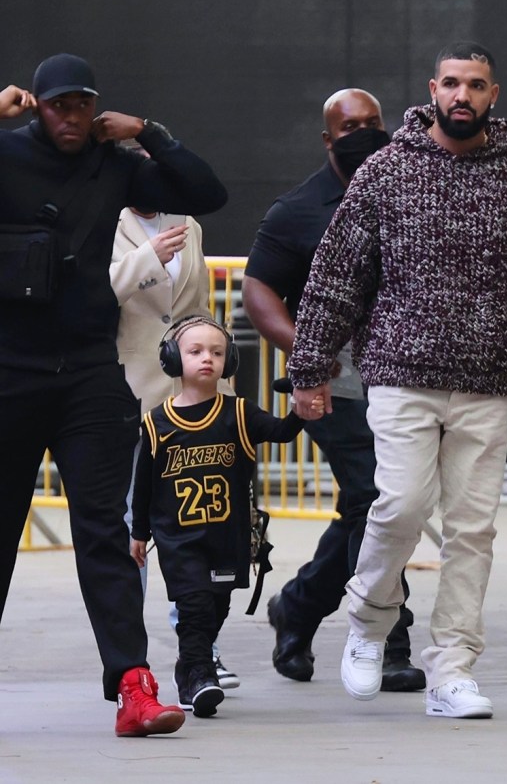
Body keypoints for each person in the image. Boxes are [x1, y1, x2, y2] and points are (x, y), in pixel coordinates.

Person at [287, 42, 507, 719]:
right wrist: (310, 367)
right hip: (400, 373)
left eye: (475, 85)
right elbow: (337, 276)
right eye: (452, 82)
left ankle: (453, 668)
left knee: (473, 529)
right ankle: (367, 620)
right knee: (399, 506)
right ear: (432, 88)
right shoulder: (385, 172)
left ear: (493, 95)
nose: (462, 95)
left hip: (489, 381)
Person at [0, 54, 227, 736]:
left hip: (92, 374)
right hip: (10, 369)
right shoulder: (6, 154)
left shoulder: (115, 162)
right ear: (37, 105)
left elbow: (205, 191)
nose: (70, 118)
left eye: (81, 105)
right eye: (57, 105)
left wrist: (148, 131)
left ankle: (134, 684)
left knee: (105, 530)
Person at [242, 88, 425, 692]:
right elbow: (259, 293)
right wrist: (308, 354)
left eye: (374, 123)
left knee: (374, 505)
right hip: (334, 382)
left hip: (406, 376)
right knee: (381, 497)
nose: (365, 132)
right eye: (351, 126)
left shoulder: (413, 187)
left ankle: (298, 606)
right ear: (328, 138)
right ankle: (390, 640)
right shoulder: (297, 209)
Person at [130, 315, 323, 717]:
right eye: (195, 351)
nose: (207, 359)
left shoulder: (239, 413)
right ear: (171, 359)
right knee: (195, 604)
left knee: (216, 607)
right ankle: (201, 675)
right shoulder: (156, 423)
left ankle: (188, 670)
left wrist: (300, 409)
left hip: (226, 535)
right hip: (178, 539)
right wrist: (138, 533)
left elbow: (282, 432)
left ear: (229, 360)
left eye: (217, 352)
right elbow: (145, 485)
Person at [111, 188, 239, 690]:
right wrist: (149, 257)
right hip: (128, 389)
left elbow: (196, 306)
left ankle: (200, 648)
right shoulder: (108, 218)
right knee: (132, 525)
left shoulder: (188, 221)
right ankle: (129, 657)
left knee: (202, 519)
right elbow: (102, 290)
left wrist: (219, 378)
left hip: (191, 393)